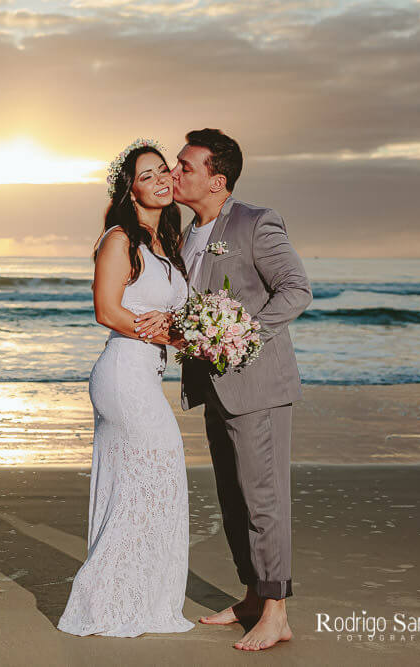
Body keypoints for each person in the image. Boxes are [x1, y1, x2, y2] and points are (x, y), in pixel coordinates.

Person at [137, 128, 312, 651]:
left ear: (217, 181)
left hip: (258, 385)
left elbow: (297, 289)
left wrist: (241, 335)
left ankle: (277, 610)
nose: (173, 173)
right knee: (232, 500)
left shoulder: (256, 223)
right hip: (213, 387)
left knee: (263, 499)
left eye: (185, 167)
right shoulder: (184, 232)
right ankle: (253, 597)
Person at [57, 139, 194, 636]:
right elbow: (106, 311)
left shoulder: (167, 244)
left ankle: (137, 598)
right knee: (152, 478)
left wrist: (186, 334)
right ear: (129, 190)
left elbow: (167, 319)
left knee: (147, 484)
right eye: (147, 175)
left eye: (164, 171)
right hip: (122, 375)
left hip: (146, 373)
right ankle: (103, 600)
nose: (160, 179)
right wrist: (156, 329)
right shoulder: (120, 239)